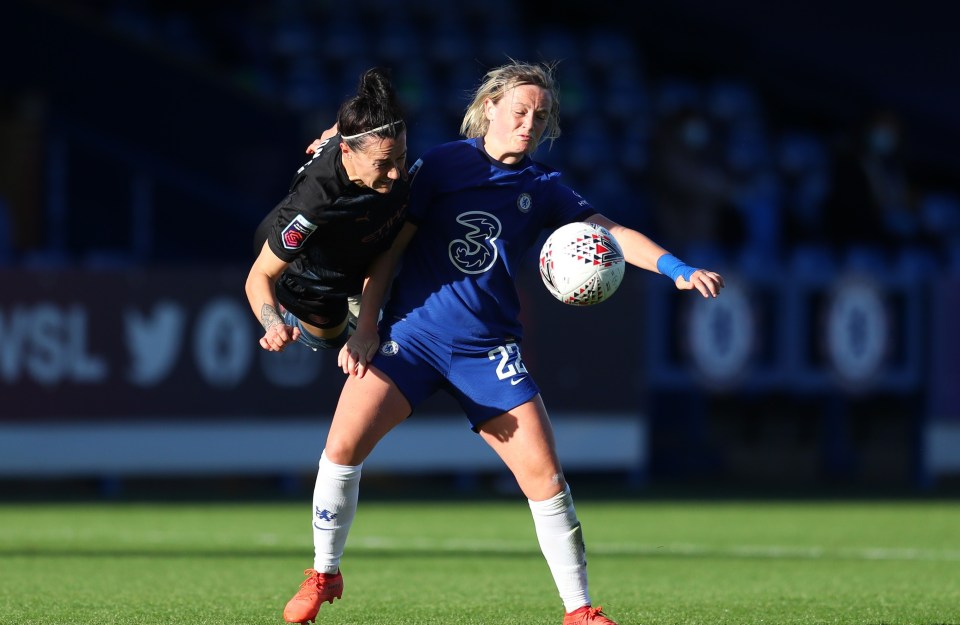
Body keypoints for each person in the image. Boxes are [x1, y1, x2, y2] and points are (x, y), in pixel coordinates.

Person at [281, 61, 725, 625]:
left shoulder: (543, 187)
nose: (529, 123)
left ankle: (580, 611)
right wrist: (367, 327)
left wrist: (674, 267)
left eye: (540, 116)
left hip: (488, 351)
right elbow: (388, 246)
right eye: (520, 111)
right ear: (489, 107)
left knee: (545, 477)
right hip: (411, 338)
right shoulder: (442, 164)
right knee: (341, 447)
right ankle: (324, 574)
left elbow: (608, 231)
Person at [245, 67, 408, 353]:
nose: (396, 173)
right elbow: (260, 275)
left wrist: (331, 132)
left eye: (402, 157)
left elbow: (385, 249)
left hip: (354, 249)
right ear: (347, 151)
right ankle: (294, 314)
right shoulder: (314, 202)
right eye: (383, 163)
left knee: (383, 340)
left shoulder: (374, 137)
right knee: (334, 339)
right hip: (309, 278)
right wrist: (273, 325)